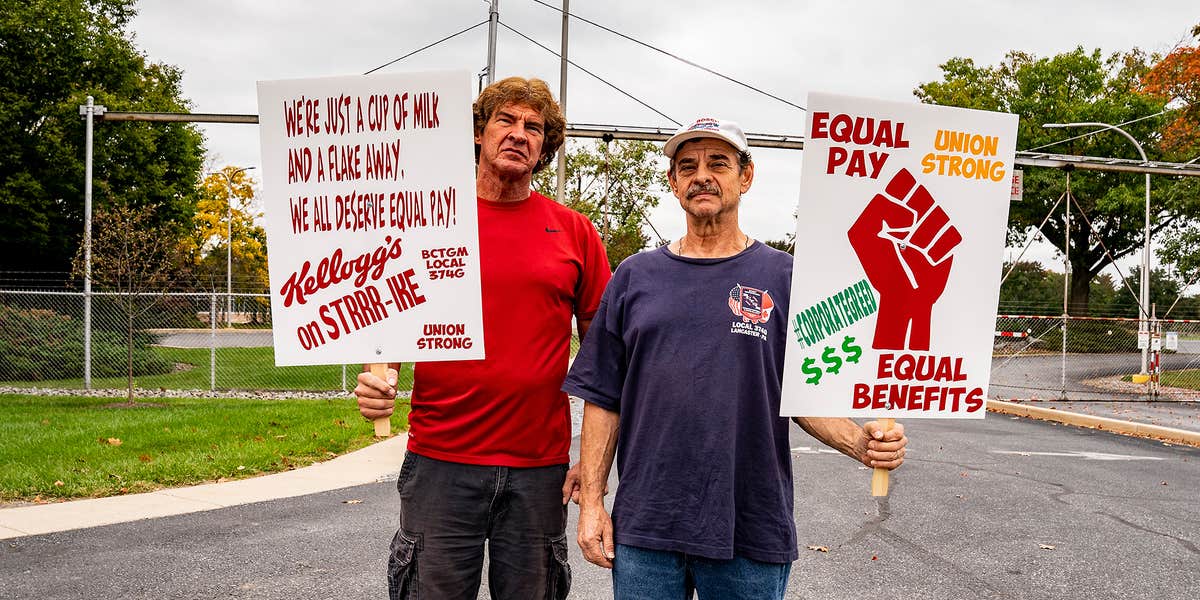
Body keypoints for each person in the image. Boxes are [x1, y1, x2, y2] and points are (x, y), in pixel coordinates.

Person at [564, 117, 909, 599]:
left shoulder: (785, 277)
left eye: (718, 163)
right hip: (647, 527)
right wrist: (592, 505)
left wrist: (861, 442)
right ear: (673, 183)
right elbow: (604, 397)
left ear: (746, 177)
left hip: (750, 525)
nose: (701, 175)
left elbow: (805, 390)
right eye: (687, 166)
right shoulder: (633, 277)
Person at [355, 77, 611, 600]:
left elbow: (606, 355)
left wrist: (593, 461)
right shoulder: (427, 221)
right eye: (506, 120)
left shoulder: (574, 232)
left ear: (545, 147)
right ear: (478, 131)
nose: (519, 134)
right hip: (441, 460)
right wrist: (378, 380)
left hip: (539, 469)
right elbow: (391, 319)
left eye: (534, 127)